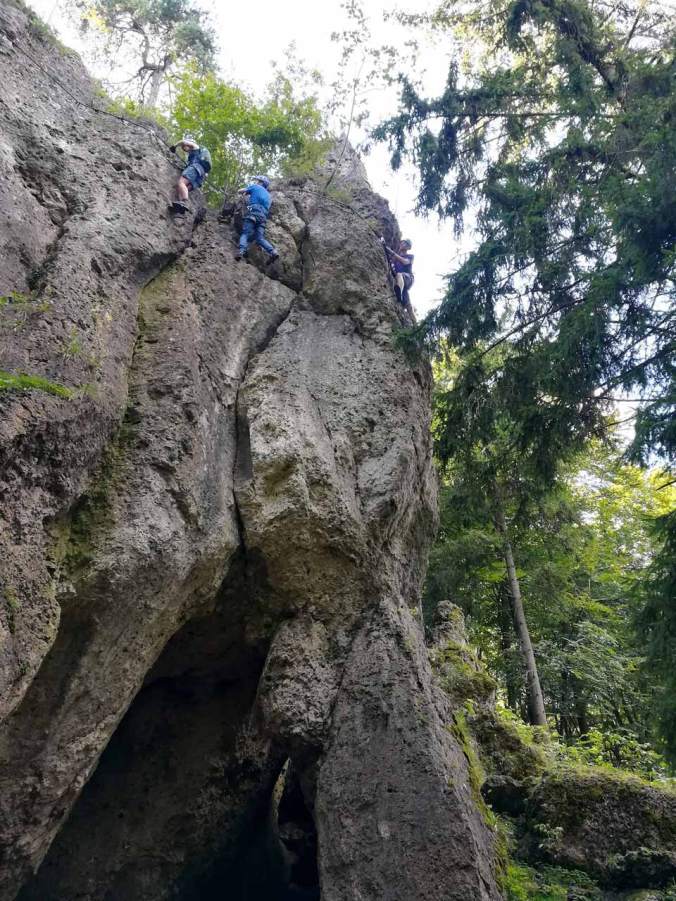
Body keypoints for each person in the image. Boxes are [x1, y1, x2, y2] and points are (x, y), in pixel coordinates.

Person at [235, 175, 279, 263]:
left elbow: (240, 191)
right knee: (260, 238)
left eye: (258, 181)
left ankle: (241, 251)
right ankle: (273, 252)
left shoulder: (255, 187)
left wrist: (246, 192)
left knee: (245, 234)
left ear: (261, 182)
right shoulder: (269, 196)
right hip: (263, 217)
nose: (256, 182)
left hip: (254, 212)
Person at [169, 136, 212, 212]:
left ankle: (184, 202)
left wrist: (174, 146)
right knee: (181, 188)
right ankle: (179, 208)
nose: (183, 148)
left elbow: (183, 141)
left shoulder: (195, 147)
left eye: (183, 147)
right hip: (200, 177)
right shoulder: (193, 156)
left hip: (195, 168)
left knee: (181, 183)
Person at [384, 238, 414, 307]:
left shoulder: (410, 256)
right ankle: (411, 316)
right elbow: (390, 264)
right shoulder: (394, 259)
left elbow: (405, 262)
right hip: (401, 282)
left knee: (399, 275)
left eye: (405, 243)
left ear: (408, 248)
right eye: (402, 242)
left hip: (408, 278)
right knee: (409, 306)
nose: (402, 244)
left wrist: (392, 252)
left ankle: (399, 292)